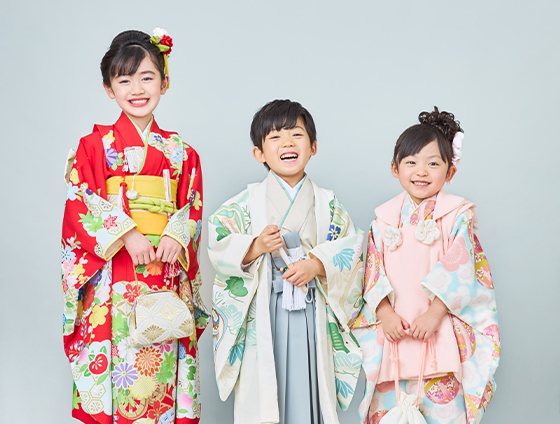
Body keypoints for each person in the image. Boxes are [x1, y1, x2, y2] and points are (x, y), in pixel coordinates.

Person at [61, 29, 208, 424]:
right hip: (112, 275)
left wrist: (176, 234)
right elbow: (80, 201)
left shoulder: (182, 153)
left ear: (164, 82)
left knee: (161, 364)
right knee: (116, 364)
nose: (137, 89)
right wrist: (127, 233)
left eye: (147, 77)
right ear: (109, 89)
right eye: (124, 80)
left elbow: (191, 205)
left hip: (163, 270)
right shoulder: (93, 147)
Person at [208, 100, 364, 424]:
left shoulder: (328, 202)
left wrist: (317, 265)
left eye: (297, 134)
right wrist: (255, 246)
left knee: (309, 386)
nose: (288, 143)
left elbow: (353, 247)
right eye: (276, 137)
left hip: (311, 308)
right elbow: (218, 242)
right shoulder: (245, 203)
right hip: (265, 309)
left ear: (313, 147)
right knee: (265, 390)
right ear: (259, 153)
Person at [352, 107, 500, 424]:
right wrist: (384, 313)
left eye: (433, 163)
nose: (421, 171)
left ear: (450, 172)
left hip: (439, 329)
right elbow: (371, 272)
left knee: (443, 412)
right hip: (394, 332)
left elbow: (463, 268)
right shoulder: (383, 221)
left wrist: (434, 314)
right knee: (390, 411)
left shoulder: (457, 215)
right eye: (411, 162)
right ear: (395, 168)